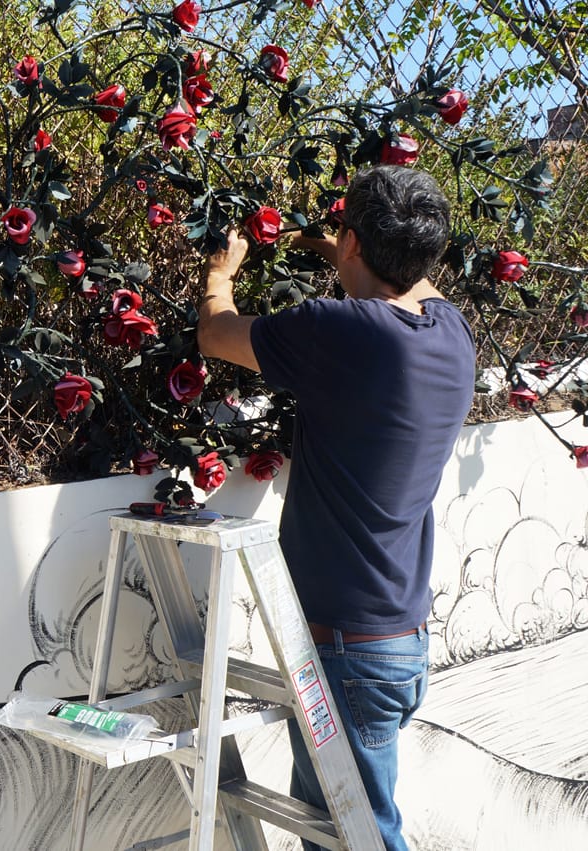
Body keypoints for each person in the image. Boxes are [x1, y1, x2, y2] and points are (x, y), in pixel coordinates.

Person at [196, 165, 475, 851]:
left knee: (361, 838)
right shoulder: (452, 332)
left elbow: (216, 333)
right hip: (397, 641)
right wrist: (338, 247)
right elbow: (410, 286)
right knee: (333, 829)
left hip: (347, 652)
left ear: (355, 241)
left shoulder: (339, 330)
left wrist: (220, 273)